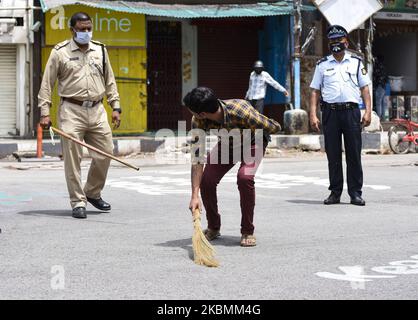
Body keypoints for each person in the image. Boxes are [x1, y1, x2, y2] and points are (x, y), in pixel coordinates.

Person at [38, 12, 122, 219]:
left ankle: (92, 192)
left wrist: (116, 106)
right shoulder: (60, 52)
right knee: (73, 158)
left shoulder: (100, 50)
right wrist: (44, 113)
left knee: (106, 152)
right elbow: (47, 84)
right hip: (71, 111)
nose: (86, 32)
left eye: (88, 28)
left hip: (97, 110)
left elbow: (109, 79)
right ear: (72, 30)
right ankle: (77, 201)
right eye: (82, 29)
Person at [185, 87, 281, 247]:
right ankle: (213, 227)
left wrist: (260, 126)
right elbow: (197, 158)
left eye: (192, 111)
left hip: (253, 142)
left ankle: (247, 230)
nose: (192, 115)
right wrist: (195, 195)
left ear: (202, 113)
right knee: (207, 180)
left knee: (245, 177)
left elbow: (274, 126)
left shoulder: (241, 110)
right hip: (228, 144)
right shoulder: (198, 121)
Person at [309, 25, 372, 206]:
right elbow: (315, 91)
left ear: (346, 41)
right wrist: (313, 115)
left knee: (354, 154)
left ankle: (355, 193)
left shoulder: (356, 62)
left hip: (351, 112)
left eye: (339, 40)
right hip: (330, 113)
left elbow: (365, 88)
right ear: (329, 43)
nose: (336, 43)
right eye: (332, 41)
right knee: (333, 155)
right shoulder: (322, 65)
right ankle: (335, 193)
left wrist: (367, 111)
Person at [373, 54, 388, 120]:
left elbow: (375, 76)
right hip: (385, 86)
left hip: (379, 86)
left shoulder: (377, 66)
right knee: (384, 103)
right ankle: (384, 118)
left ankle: (379, 118)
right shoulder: (384, 66)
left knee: (378, 102)